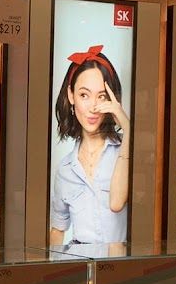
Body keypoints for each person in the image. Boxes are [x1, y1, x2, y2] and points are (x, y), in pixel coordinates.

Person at [49, 45, 130, 246]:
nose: (93, 107)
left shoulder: (126, 152)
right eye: (84, 95)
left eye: (101, 96)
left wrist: (128, 128)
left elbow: (116, 203)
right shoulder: (65, 169)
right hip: (78, 265)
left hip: (120, 265)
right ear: (71, 96)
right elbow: (58, 230)